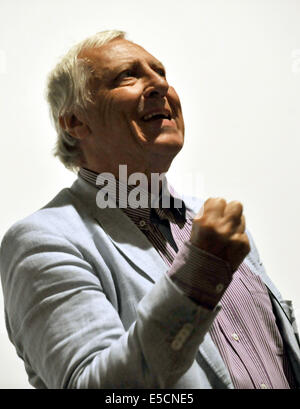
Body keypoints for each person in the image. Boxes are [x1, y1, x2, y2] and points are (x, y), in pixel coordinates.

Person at [0, 29, 299, 389]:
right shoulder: (43, 241)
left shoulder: (215, 225)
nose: (160, 85)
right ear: (75, 121)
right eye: (127, 75)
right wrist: (199, 276)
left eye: (162, 73)